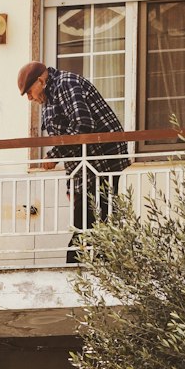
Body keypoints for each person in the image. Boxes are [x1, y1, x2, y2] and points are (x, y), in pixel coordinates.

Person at [18, 60, 129, 262]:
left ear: (41, 80)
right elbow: (69, 140)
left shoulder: (66, 84)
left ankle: (78, 275)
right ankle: (96, 268)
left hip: (102, 163)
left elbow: (82, 127)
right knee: (91, 225)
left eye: (29, 92)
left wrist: (53, 155)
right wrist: (71, 184)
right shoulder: (48, 99)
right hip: (83, 169)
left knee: (89, 224)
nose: (29, 98)